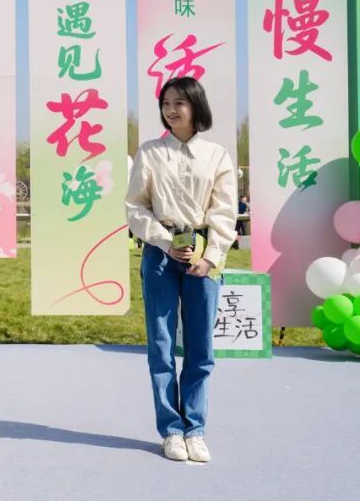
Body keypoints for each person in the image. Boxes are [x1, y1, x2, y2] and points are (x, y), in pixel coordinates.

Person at [125, 77, 236, 463]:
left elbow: (225, 211)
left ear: (196, 106)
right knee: (161, 344)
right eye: (166, 103)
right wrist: (162, 240)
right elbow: (135, 207)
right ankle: (171, 430)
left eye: (179, 103)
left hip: (203, 254)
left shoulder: (217, 155)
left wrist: (212, 256)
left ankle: (196, 429)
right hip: (161, 254)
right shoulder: (150, 152)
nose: (171, 110)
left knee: (201, 346)